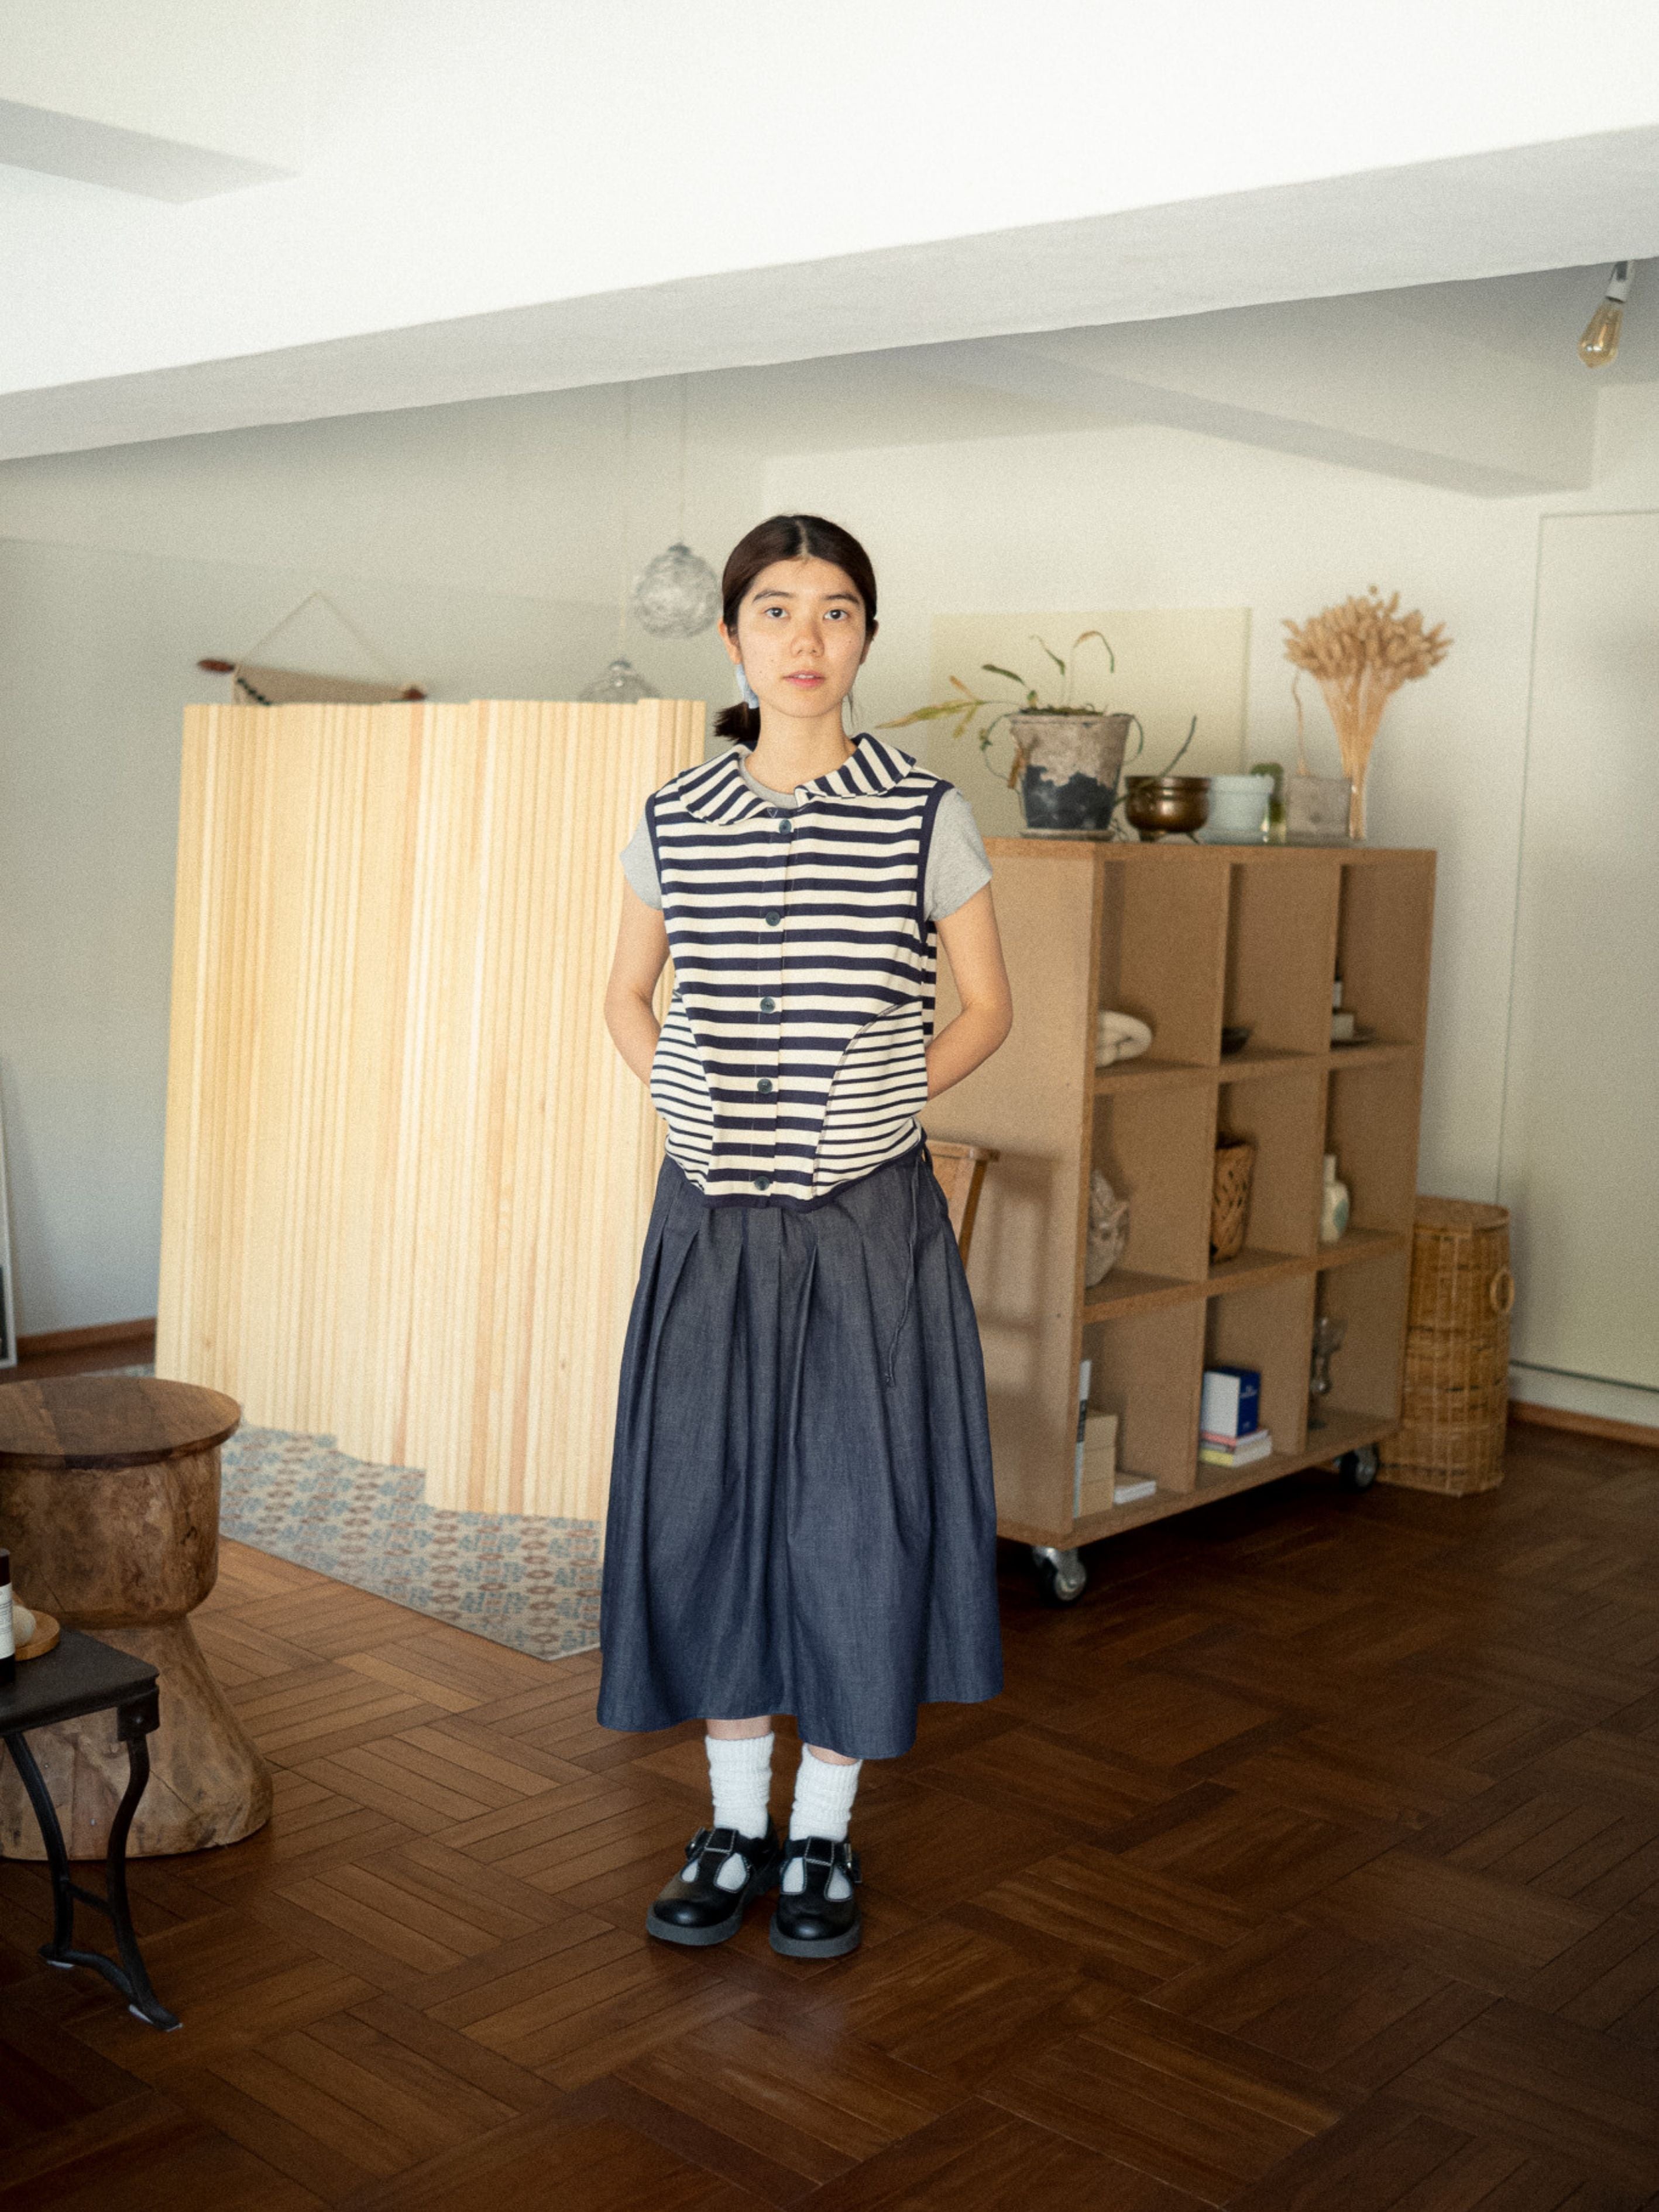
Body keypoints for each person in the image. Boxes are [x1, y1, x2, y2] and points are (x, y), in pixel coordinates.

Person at [599, 513, 1012, 1959]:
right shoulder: (674, 817)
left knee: (854, 1515)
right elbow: (625, 994)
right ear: (730, 639)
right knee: (706, 1504)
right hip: (709, 1222)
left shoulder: (922, 813)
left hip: (864, 1229)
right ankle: (731, 1827)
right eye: (774, 610)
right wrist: (676, 1088)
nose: (804, 638)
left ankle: (822, 1837)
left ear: (865, 639)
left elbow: (985, 1009)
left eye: (835, 611)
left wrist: (892, 1097)